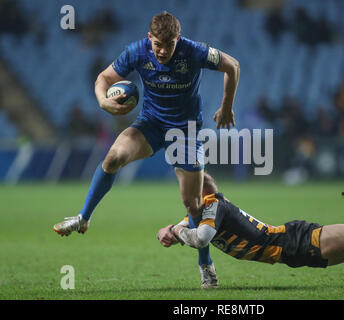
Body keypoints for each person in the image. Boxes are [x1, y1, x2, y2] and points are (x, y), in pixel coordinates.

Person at [53, 11, 240, 288]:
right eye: (157, 45)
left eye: (169, 45)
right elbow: (103, 79)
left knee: (193, 203)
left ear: (178, 38)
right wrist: (104, 103)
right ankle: (84, 217)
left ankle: (205, 265)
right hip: (150, 124)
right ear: (149, 38)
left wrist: (226, 106)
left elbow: (232, 66)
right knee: (113, 157)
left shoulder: (194, 51)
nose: (162, 51)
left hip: (185, 132)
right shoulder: (137, 52)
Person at [158, 143, 344, 274]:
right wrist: (174, 228)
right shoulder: (198, 214)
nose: (185, 199)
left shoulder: (213, 207)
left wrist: (173, 230)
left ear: (197, 192)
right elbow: (193, 226)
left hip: (291, 240)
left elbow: (202, 239)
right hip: (290, 254)